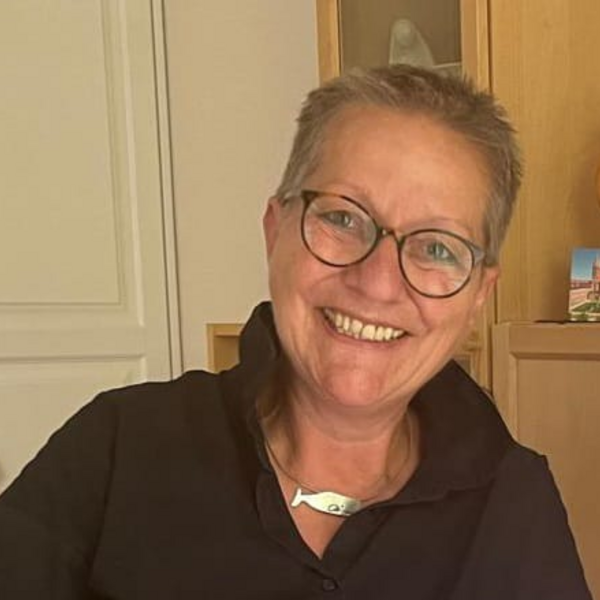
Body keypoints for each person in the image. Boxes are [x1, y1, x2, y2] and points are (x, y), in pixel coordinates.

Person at [0, 65, 592, 599]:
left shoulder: (515, 503)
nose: (378, 282)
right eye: (343, 217)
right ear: (275, 229)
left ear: (479, 294)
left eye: (437, 247)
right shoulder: (119, 446)